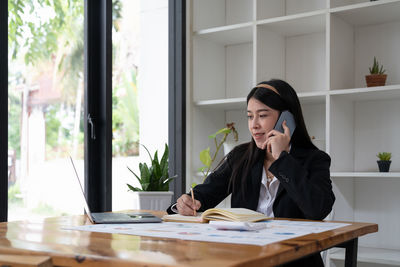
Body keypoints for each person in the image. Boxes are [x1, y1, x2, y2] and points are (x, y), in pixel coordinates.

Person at [167, 79, 335, 267]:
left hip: (294, 262)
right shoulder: (240, 157)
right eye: (249, 116)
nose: (253, 125)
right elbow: (205, 193)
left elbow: (317, 209)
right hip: (246, 259)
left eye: (262, 115)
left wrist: (282, 160)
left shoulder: (315, 159)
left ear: (286, 119)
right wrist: (186, 203)